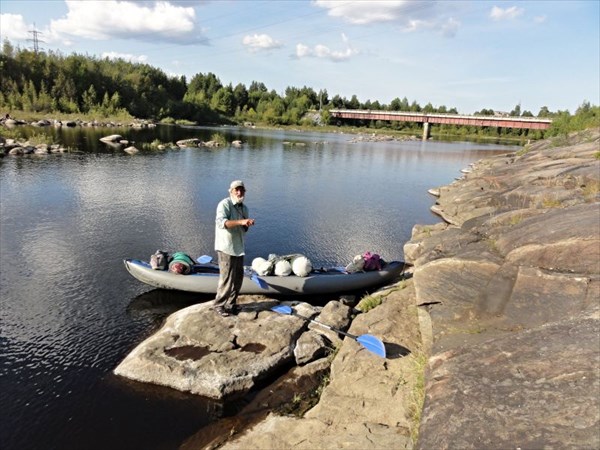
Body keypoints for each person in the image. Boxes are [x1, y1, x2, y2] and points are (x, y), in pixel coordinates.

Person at [212, 180, 255, 317]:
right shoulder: (224, 204)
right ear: (230, 191)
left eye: (242, 190)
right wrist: (241, 221)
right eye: (236, 190)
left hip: (238, 247)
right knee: (226, 278)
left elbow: (244, 230)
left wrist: (246, 224)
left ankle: (231, 304)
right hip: (226, 247)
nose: (239, 192)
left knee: (238, 278)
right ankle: (219, 305)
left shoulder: (244, 208)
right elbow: (221, 223)